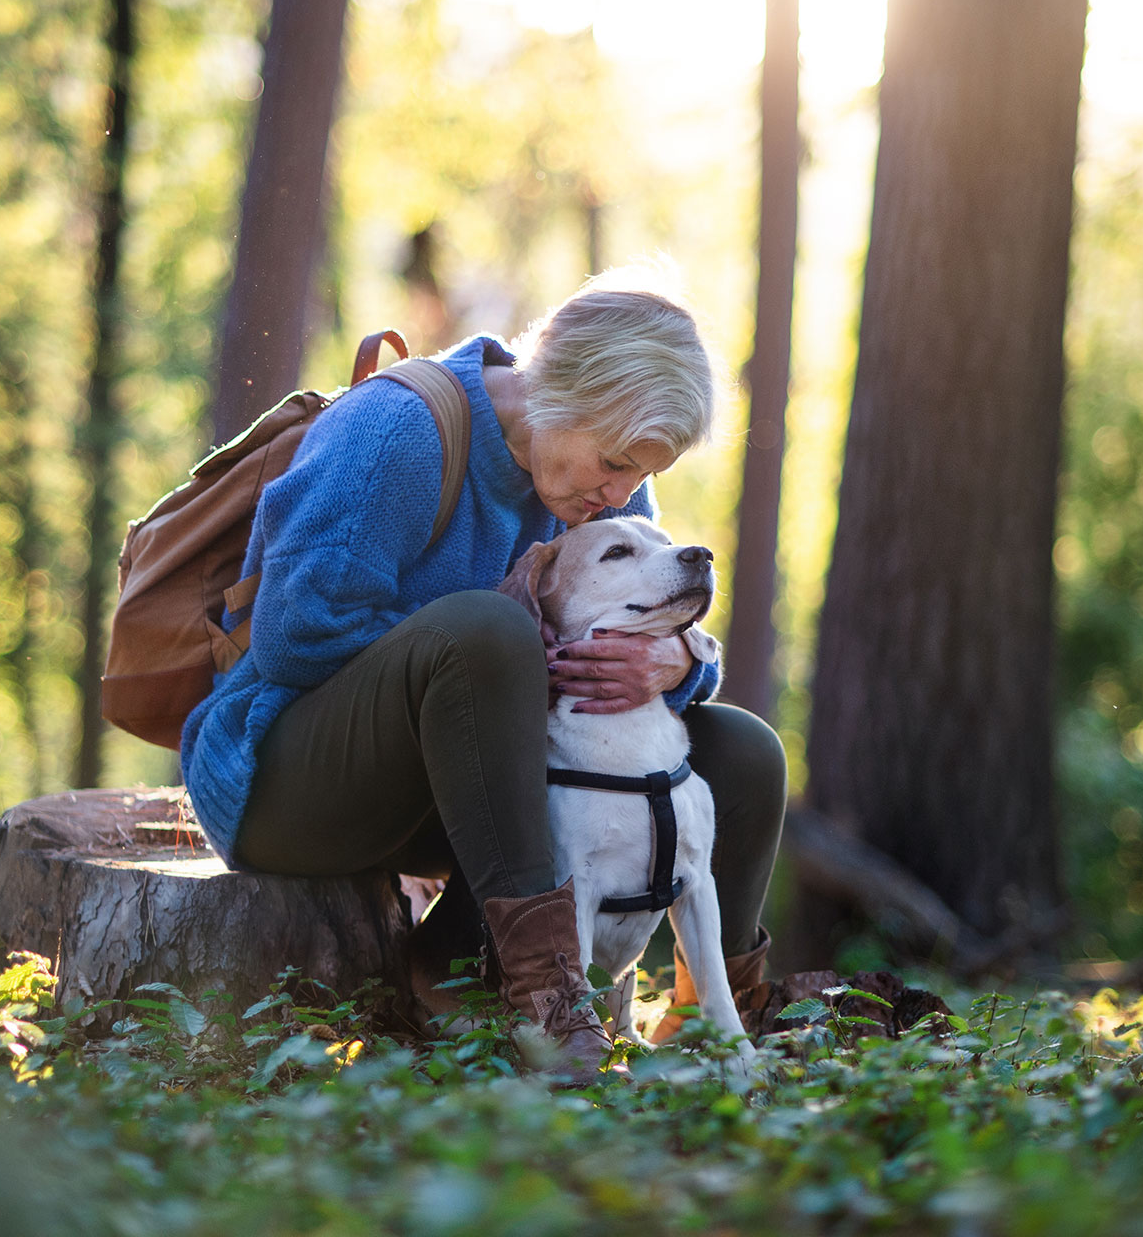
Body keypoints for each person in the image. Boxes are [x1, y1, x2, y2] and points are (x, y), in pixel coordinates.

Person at [180, 271, 787, 1073]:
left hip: (467, 794)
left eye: (641, 476)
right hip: (292, 778)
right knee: (490, 629)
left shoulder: (600, 500)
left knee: (737, 748)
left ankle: (714, 1024)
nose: (620, 495)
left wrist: (673, 661)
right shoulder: (396, 431)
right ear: (558, 391)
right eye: (612, 462)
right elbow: (296, 637)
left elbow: (652, 615)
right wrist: (500, 665)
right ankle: (544, 1007)